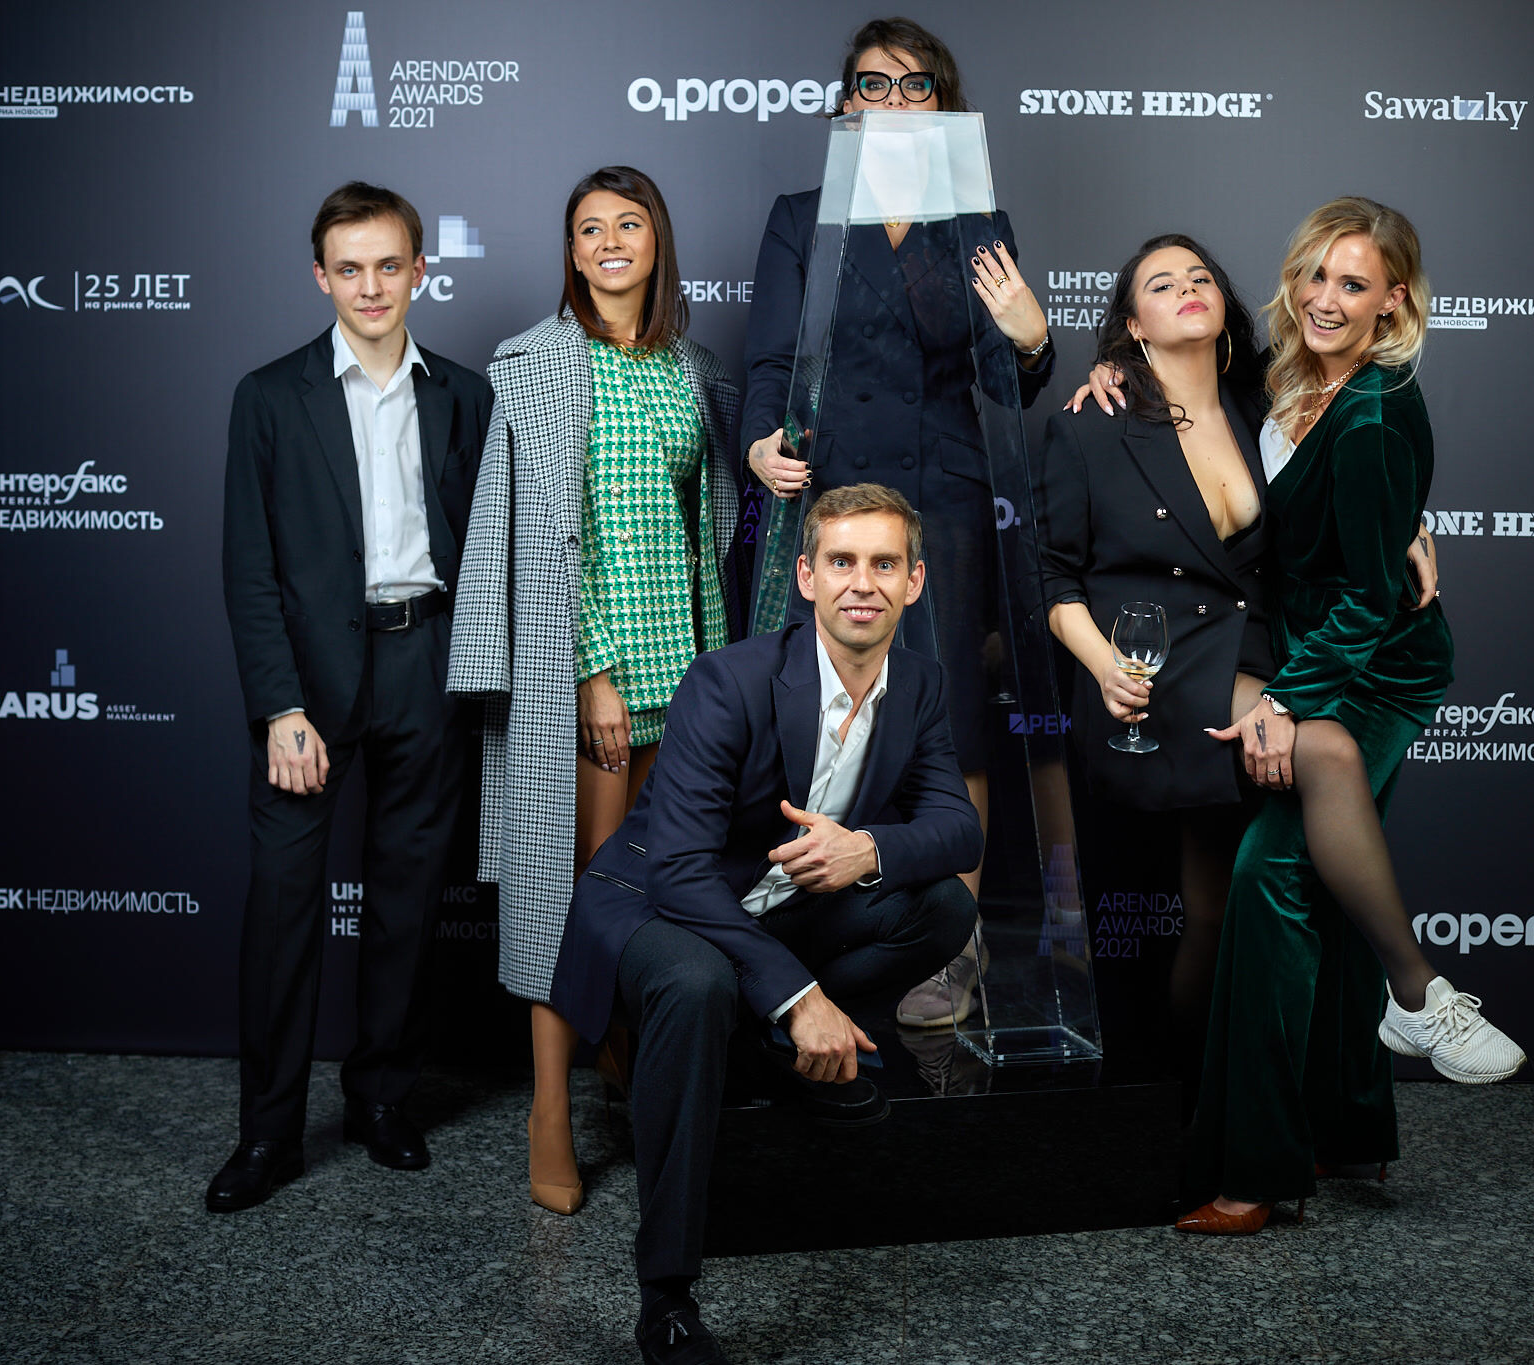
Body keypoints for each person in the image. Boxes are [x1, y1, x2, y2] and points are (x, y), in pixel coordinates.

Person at [547, 485, 980, 1365]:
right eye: (842, 561)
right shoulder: (730, 679)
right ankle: (666, 1299)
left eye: (885, 563)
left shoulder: (921, 684)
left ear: (914, 581)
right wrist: (798, 994)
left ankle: (775, 1053)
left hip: (780, 904)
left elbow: (958, 829)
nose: (863, 583)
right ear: (806, 576)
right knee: (697, 980)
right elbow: (677, 869)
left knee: (945, 905)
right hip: (657, 900)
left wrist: (866, 847)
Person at [1176, 197, 1526, 1235]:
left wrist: (1286, 701)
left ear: (1394, 302)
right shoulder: (1284, 375)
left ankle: (1257, 1167)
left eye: (1354, 284)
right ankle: (1348, 1126)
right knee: (1321, 878)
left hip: (1372, 668)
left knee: (1268, 879)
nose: (1326, 299)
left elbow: (1371, 601)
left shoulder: (1373, 412)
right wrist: (1111, 371)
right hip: (1309, 651)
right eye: (1314, 275)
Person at [1046, 235, 1438, 1150]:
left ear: (1223, 302)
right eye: (1161, 283)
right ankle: (1418, 991)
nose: (1188, 288)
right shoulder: (1092, 421)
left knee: (1220, 913)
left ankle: (1202, 1112)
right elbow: (1052, 577)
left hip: (1254, 654)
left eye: (1200, 277)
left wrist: (1408, 525)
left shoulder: (1268, 401)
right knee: (1326, 749)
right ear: (1132, 323)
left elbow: (1344, 486)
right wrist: (1103, 664)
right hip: (1151, 675)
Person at [740, 16, 1053, 1030]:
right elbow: (769, 362)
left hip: (945, 507)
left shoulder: (974, 218)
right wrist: (759, 444)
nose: (893, 101)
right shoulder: (802, 218)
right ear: (846, 105)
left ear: (943, 108)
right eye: (874, 84)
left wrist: (1034, 340)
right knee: (820, 716)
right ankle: (810, 943)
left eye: (916, 86)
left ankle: (951, 947)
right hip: (832, 497)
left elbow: (1006, 378)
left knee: (951, 716)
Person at [447, 167, 742, 1218]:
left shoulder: (693, 369)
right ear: (571, 253)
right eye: (589, 229)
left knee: (656, 900)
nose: (610, 241)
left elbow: (704, 528)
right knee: (568, 903)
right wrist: (593, 671)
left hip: (686, 676)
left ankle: (624, 1064)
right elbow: (540, 538)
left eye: (628, 224)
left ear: (657, 242)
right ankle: (548, 1111)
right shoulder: (535, 363)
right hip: (590, 682)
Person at [210, 182, 493, 1212]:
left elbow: (485, 547)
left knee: (406, 902)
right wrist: (279, 707)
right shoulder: (268, 396)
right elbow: (249, 570)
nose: (370, 286)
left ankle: (381, 1099)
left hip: (426, 661)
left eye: (387, 265)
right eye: (349, 268)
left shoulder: (464, 395)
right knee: (283, 908)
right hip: (310, 685)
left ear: (419, 271)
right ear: (320, 277)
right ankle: (268, 1133)